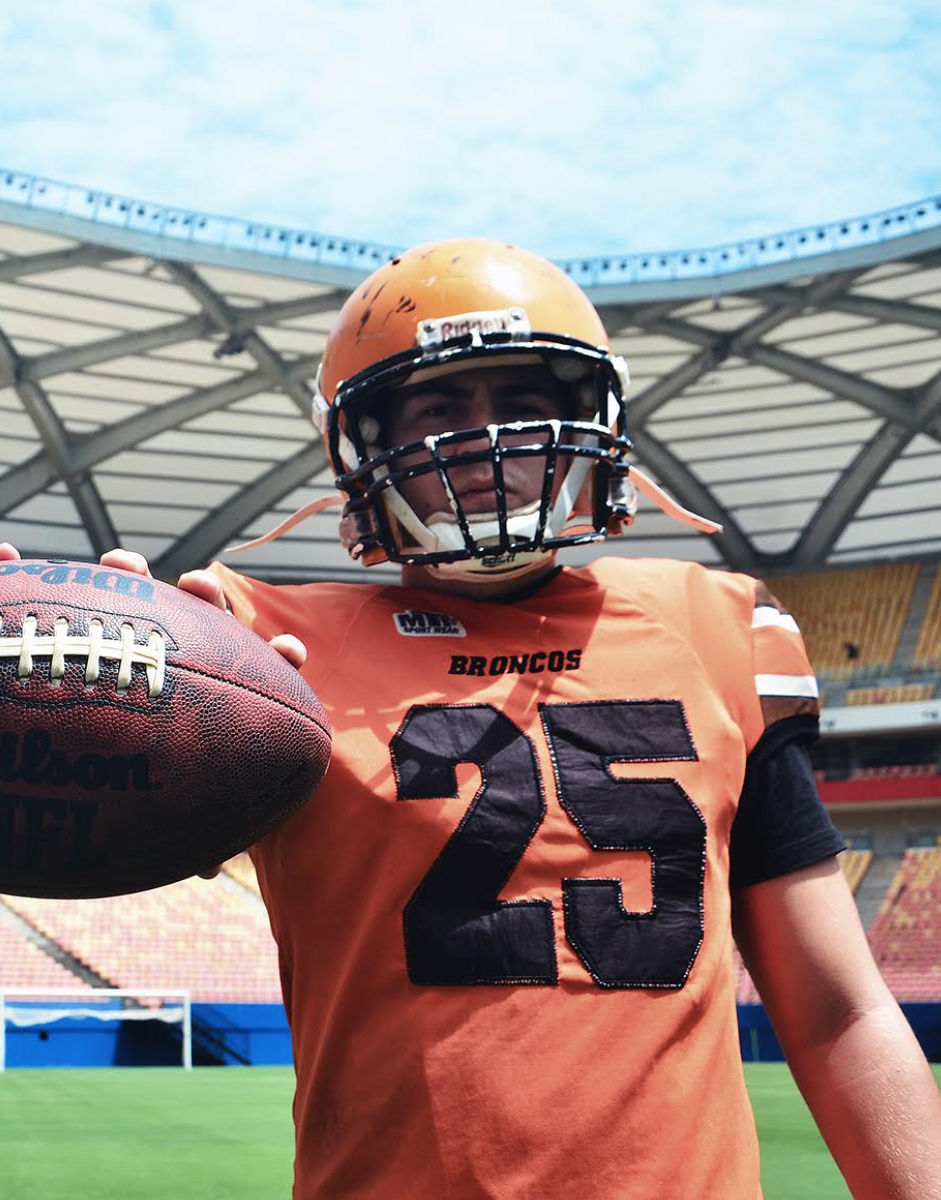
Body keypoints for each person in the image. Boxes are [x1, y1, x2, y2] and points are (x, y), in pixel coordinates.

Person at [174, 239, 941, 1197]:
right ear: (366, 442)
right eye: (439, 406)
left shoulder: (719, 626)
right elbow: (74, 799)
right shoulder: (260, 647)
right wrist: (19, 678)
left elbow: (835, 1011)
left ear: (590, 421)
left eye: (526, 401)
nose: (488, 440)